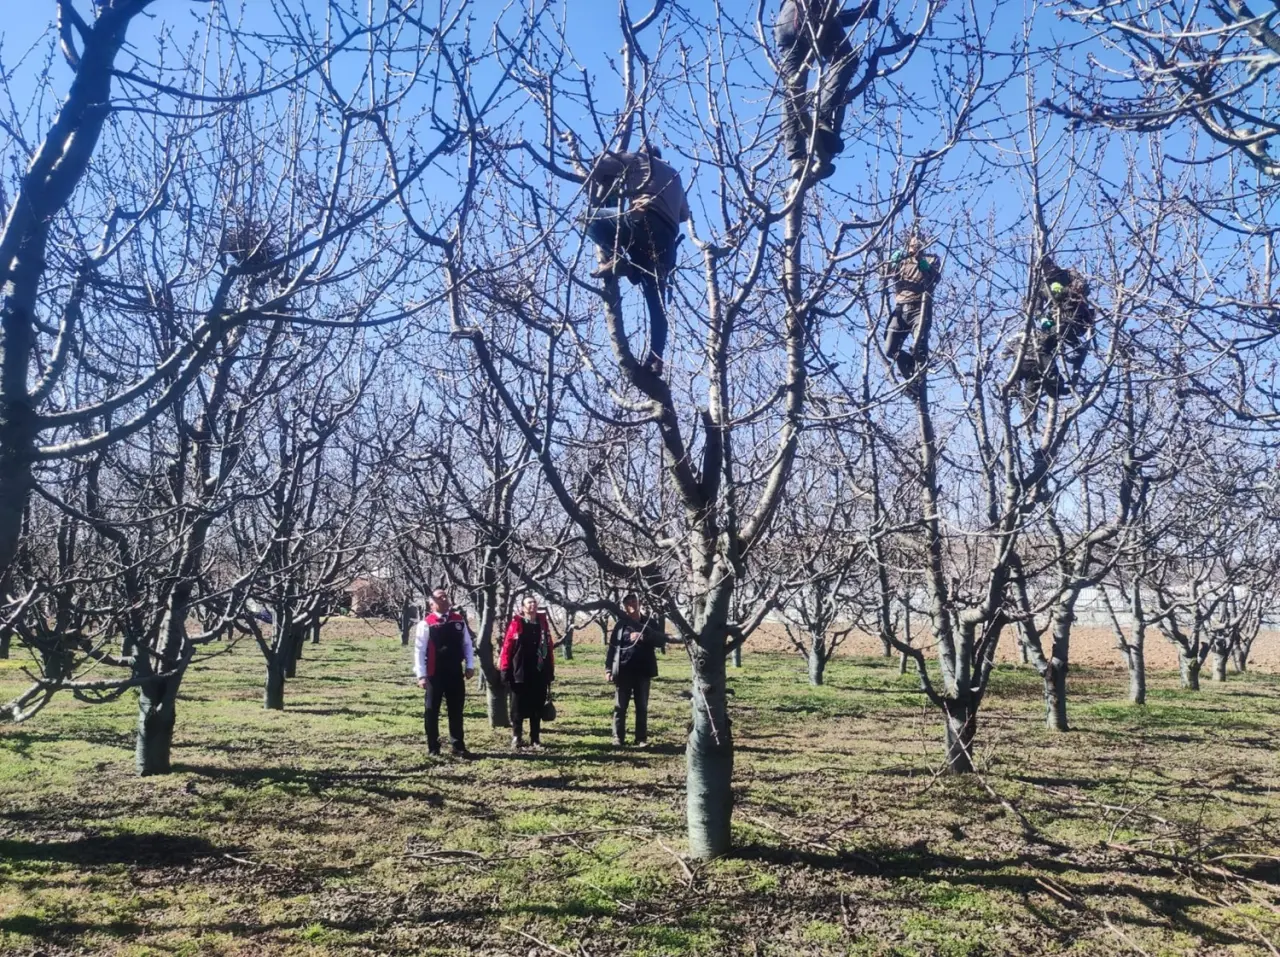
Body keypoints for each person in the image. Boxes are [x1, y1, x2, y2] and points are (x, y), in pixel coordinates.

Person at [583, 144, 691, 374]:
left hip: (643, 222)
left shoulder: (638, 159)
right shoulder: (675, 175)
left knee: (588, 219)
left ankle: (617, 260)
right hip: (666, 243)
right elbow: (684, 214)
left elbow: (598, 162)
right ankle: (656, 358)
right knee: (657, 301)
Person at [775, 0, 878, 180]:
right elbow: (825, 16)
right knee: (846, 60)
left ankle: (797, 160)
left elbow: (831, 16)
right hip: (807, 15)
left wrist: (862, 12)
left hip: (785, 24)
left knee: (794, 89)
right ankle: (821, 119)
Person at [1017, 256, 1096, 395]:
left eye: (1049, 264)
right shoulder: (1041, 285)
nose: (1049, 269)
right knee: (1042, 348)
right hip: (1058, 320)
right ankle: (1055, 384)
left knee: (1062, 328)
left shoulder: (1068, 273)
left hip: (1078, 315)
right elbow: (1036, 309)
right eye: (1044, 267)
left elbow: (1083, 287)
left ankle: (1077, 348)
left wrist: (1064, 292)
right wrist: (1043, 320)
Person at [413, 588, 475, 758]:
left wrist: (470, 665)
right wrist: (421, 675)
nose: (445, 599)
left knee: (456, 710)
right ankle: (433, 747)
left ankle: (458, 745)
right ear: (432, 604)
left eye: (446, 596)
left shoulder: (458, 620)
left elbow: (467, 644)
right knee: (432, 710)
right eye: (440, 597)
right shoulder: (426, 624)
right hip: (434, 673)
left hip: (455, 672)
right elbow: (419, 651)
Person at [605, 593, 666, 747]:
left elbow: (660, 641)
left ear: (639, 603)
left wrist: (643, 637)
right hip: (624, 671)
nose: (631, 604)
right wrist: (608, 669)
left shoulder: (649, 623)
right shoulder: (621, 624)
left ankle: (641, 739)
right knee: (620, 707)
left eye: (634, 601)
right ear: (624, 606)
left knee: (642, 707)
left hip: (643, 671)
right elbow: (612, 648)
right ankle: (618, 738)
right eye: (628, 602)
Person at [884, 235, 941, 386]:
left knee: (919, 350)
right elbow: (885, 274)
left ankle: (918, 380)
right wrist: (892, 261)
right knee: (890, 349)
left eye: (918, 244)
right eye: (913, 244)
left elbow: (936, 278)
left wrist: (924, 266)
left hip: (920, 308)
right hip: (901, 308)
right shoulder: (902, 260)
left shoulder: (930, 259)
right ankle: (911, 376)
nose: (915, 246)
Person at [500, 595, 556, 751]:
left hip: (539, 672)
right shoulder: (516, 624)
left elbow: (549, 648)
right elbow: (507, 648)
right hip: (520, 672)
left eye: (534, 602)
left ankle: (535, 738)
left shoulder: (542, 624)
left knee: (537, 706)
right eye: (529, 603)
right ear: (523, 607)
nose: (532, 605)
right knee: (517, 706)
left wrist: (550, 668)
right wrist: (505, 669)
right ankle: (517, 736)